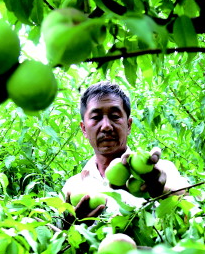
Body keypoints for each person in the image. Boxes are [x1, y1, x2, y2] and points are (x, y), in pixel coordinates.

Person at [61, 81, 189, 228]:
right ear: (83, 129)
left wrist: (161, 192)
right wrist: (71, 228)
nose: (106, 126)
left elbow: (193, 211)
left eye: (115, 116)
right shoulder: (73, 186)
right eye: (96, 117)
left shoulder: (159, 171)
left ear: (128, 125)